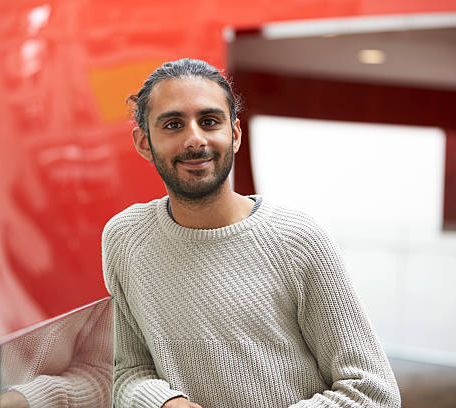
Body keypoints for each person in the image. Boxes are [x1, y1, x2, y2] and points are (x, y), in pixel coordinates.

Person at [102, 58, 401, 408]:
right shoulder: (125, 238)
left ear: (235, 134)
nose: (195, 139)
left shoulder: (297, 239)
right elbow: (126, 370)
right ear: (143, 142)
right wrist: (164, 403)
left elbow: (373, 391)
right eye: (172, 124)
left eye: (210, 121)